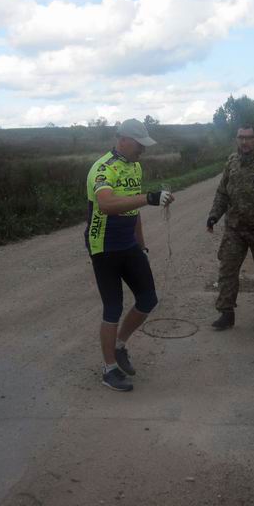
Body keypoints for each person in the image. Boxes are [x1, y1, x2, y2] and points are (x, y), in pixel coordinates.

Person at [85, 118, 175, 391]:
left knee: (148, 299)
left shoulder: (134, 165)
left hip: (128, 244)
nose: (143, 150)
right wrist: (148, 198)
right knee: (112, 308)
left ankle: (120, 345)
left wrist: (142, 245)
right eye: (140, 144)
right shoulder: (102, 169)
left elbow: (132, 210)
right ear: (123, 139)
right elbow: (107, 204)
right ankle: (109, 368)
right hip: (104, 246)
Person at [206, 124, 254, 331]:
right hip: (234, 227)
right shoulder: (232, 161)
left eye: (248, 137)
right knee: (227, 269)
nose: (244, 142)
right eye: (240, 137)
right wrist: (214, 215)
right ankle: (226, 313)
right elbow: (222, 191)